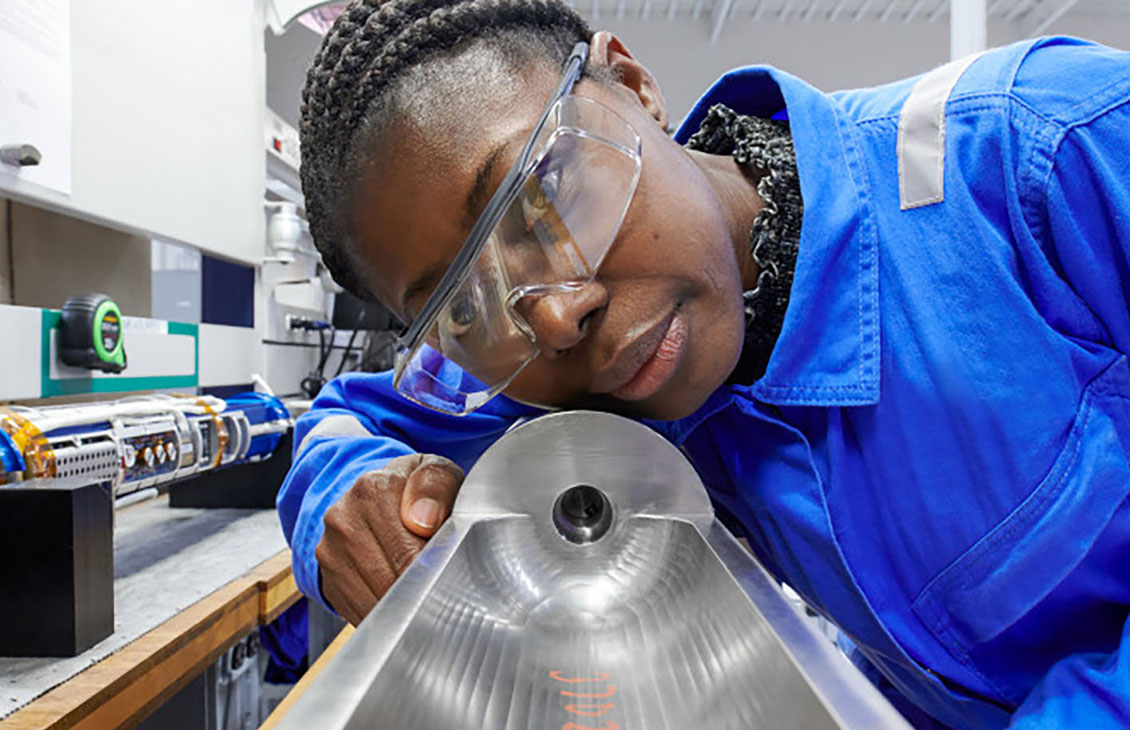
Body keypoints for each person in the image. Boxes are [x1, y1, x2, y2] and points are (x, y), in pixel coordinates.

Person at [278, 0, 1130, 726]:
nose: (557, 314)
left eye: (545, 197)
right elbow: (347, 421)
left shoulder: (1049, 148)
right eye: (465, 308)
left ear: (636, 87)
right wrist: (344, 507)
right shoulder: (592, 374)